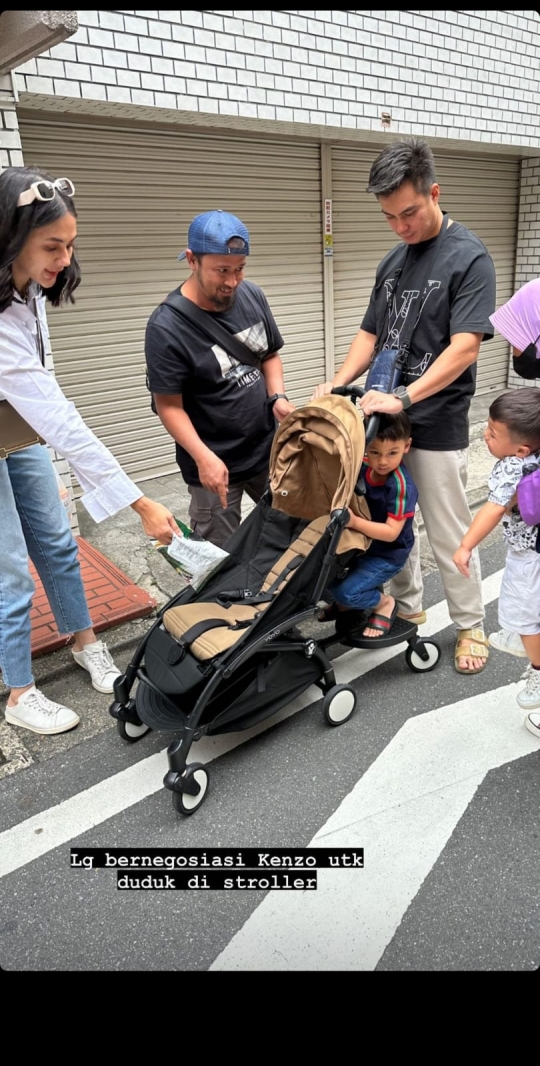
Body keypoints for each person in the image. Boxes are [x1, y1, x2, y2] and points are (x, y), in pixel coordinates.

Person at [0, 166, 180, 737]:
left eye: (69, 244)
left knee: (56, 539)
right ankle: (20, 691)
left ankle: (86, 643)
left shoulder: (28, 288)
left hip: (12, 425)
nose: (63, 258)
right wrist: (140, 502)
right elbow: (62, 418)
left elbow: (41, 396)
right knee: (9, 573)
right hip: (16, 419)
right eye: (52, 246)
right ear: (11, 239)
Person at [312, 137, 496, 674]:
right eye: (389, 217)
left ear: (434, 193)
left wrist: (408, 395)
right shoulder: (393, 261)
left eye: (409, 213)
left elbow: (465, 346)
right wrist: (338, 382)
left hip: (433, 420)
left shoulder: (469, 256)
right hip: (381, 423)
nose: (400, 226)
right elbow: (370, 333)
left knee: (447, 526)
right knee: (392, 519)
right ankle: (410, 609)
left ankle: (469, 624)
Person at [145, 209, 295, 548]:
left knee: (291, 532)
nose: (231, 281)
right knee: (220, 556)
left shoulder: (253, 295)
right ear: (191, 260)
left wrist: (278, 397)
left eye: (239, 269)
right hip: (213, 464)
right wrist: (203, 457)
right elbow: (168, 406)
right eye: (221, 271)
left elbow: (269, 354)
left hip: (265, 450)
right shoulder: (166, 327)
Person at [452, 388, 540, 740]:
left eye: (491, 433)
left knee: (523, 613)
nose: (485, 437)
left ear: (520, 448)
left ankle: (537, 668)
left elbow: (492, 508)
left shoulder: (512, 466)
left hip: (528, 556)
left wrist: (465, 546)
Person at [319, 411, 418, 638]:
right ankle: (345, 604)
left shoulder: (400, 486)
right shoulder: (363, 464)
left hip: (387, 554)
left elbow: (392, 533)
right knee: (320, 576)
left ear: (406, 446)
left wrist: (354, 522)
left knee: (346, 592)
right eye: (374, 452)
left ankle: (383, 603)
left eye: (392, 453)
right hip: (362, 546)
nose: (382, 461)